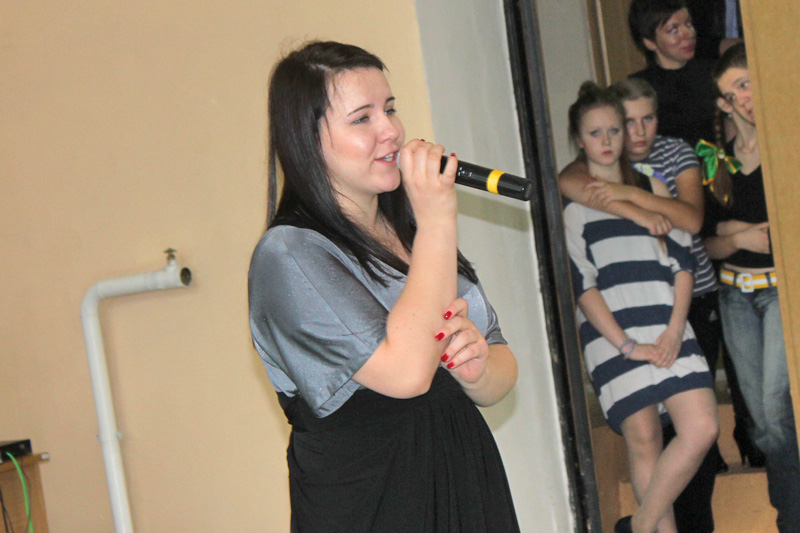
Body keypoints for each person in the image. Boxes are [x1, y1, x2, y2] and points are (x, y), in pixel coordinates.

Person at [247, 41, 520, 532]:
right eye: (362, 118)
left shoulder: (412, 233)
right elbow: (407, 374)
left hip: (465, 486)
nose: (391, 130)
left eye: (390, 109)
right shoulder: (289, 253)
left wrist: (476, 370)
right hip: (375, 506)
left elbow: (501, 365)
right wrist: (437, 220)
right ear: (306, 139)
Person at [560, 77, 724, 532]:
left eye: (615, 130)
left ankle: (638, 526)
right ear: (579, 140)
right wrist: (626, 345)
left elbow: (683, 262)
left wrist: (674, 329)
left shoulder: (652, 184)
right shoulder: (574, 203)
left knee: (702, 427)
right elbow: (582, 285)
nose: (607, 140)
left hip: (669, 323)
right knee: (645, 438)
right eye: (595, 133)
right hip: (613, 336)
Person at [700, 42, 800, 532]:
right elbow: (708, 242)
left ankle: (790, 520)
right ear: (722, 104)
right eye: (732, 91)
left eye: (747, 82)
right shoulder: (714, 160)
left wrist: (734, 231)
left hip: (781, 289)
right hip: (735, 294)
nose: (744, 96)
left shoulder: (787, 141)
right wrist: (739, 235)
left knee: (777, 412)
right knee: (760, 422)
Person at [628, 0, 717, 148]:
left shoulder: (713, 73)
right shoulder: (638, 88)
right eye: (673, 30)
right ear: (649, 42)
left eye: (688, 24)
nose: (688, 34)